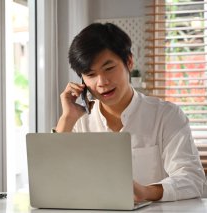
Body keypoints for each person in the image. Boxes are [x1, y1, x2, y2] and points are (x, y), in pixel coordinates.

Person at [56, 22, 206, 202]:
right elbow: (51, 180)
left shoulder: (166, 115)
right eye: (90, 75)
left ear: (129, 61)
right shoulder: (78, 121)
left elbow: (193, 180)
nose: (102, 82)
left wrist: (146, 192)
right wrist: (66, 119)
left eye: (109, 68)